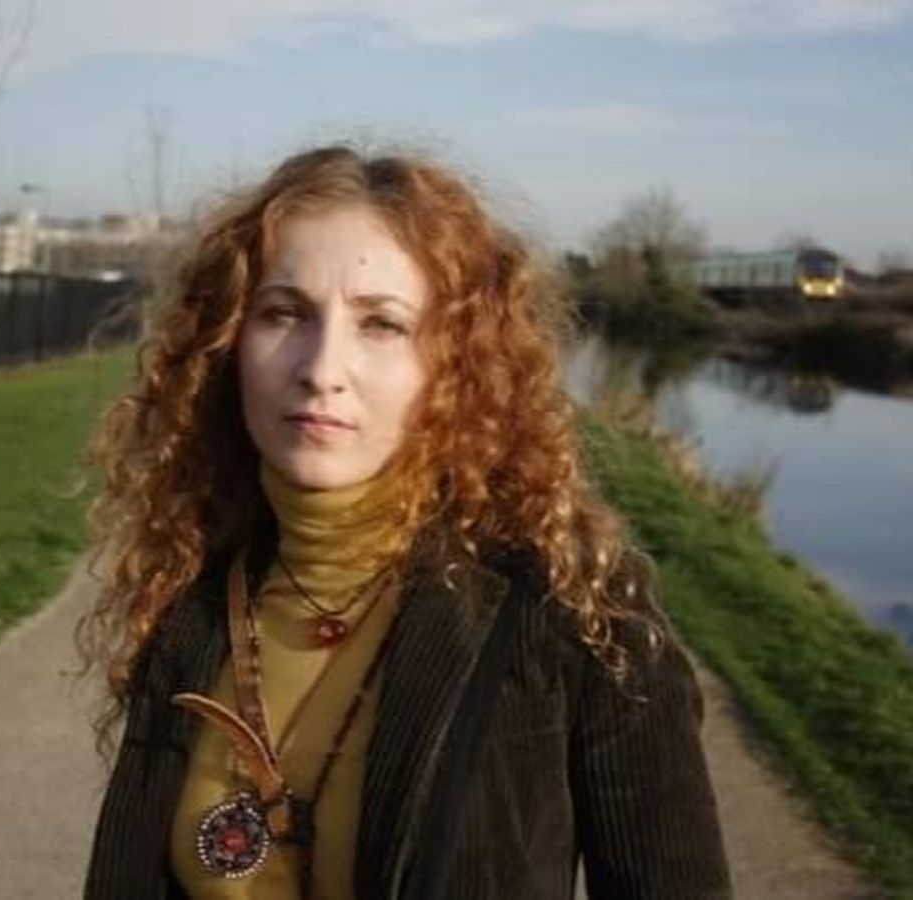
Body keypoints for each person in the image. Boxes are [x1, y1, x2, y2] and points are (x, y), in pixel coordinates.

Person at [79, 144, 732, 899]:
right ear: (227, 342)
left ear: (455, 364)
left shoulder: (574, 605)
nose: (321, 370)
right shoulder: (189, 587)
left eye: (382, 324)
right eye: (284, 313)